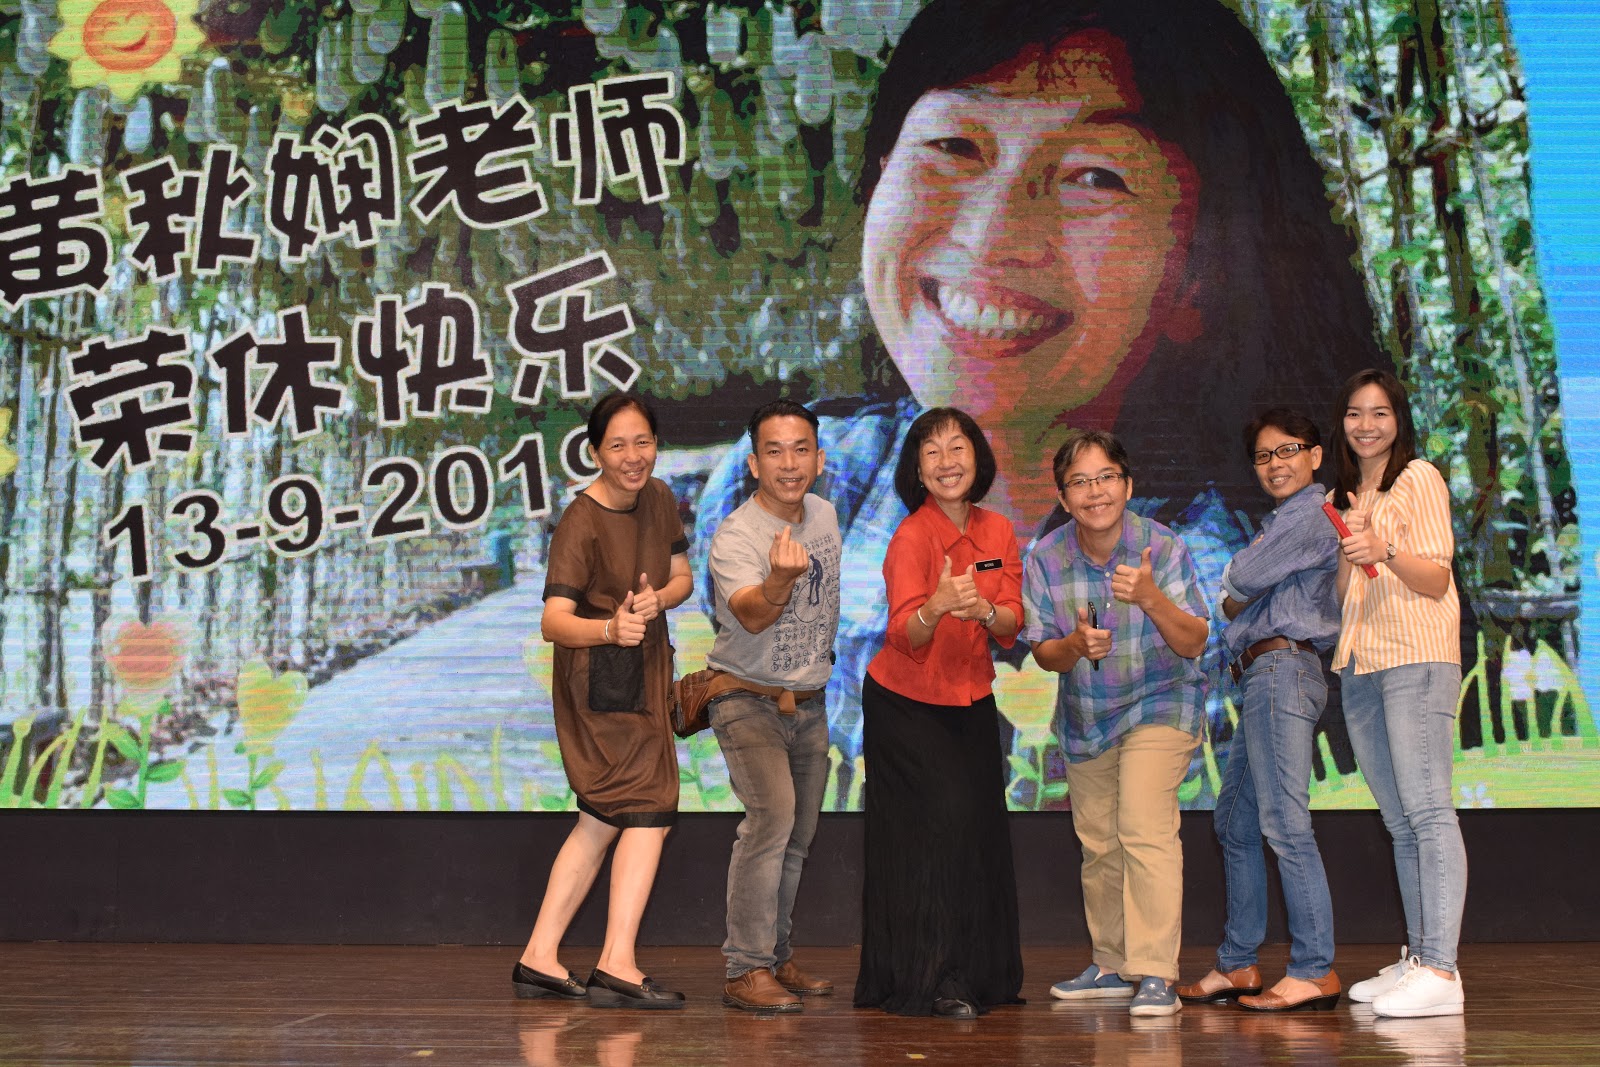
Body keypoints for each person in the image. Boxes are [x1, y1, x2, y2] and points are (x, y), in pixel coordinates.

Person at [691, 0, 1391, 798]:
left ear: (1197, 278)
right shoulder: (790, 485)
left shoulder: (1241, 579)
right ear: (882, 180)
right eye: (954, 146)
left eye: (1094, 177)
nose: (990, 235)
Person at [513, 393, 694, 1009]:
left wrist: (659, 600)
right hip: (599, 683)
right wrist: (612, 629)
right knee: (651, 808)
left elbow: (681, 577)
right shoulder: (580, 520)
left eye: (643, 442)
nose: (632, 456)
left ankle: (539, 956)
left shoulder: (660, 498)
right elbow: (553, 621)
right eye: (617, 445)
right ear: (595, 453)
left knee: (600, 820)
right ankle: (617, 963)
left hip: (647, 671)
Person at [1022, 429, 1208, 1017]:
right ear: (1063, 496)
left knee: (1144, 826)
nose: (1094, 492)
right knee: (1099, 843)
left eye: (1105, 478)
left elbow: (1195, 640)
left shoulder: (1162, 546)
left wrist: (1151, 597)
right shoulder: (1045, 558)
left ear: (1127, 485)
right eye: (1079, 482)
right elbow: (1044, 654)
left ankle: (1155, 972)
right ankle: (1111, 963)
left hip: (1161, 702)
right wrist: (1075, 645)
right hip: (1088, 715)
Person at [854, 407, 1024, 1019]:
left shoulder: (998, 531)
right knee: (935, 837)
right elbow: (904, 634)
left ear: (978, 458)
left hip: (971, 699)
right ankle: (932, 977)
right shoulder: (911, 537)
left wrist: (983, 611)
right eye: (932, 452)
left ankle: (981, 974)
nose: (947, 462)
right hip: (906, 704)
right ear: (917, 470)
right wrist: (938, 605)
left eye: (957, 448)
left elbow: (1012, 623)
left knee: (977, 834)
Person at [1176, 409, 1342, 1012]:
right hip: (1264, 676)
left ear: (1315, 456)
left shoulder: (1312, 515)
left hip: (1282, 669)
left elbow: (1240, 581)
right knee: (1234, 824)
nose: (1275, 464)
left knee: (1284, 824)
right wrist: (1236, 592)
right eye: (1264, 456)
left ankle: (1314, 969)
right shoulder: (1279, 522)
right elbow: (1232, 600)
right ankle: (1238, 964)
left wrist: (1237, 584)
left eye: (1288, 450)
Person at [1329, 369, 1467, 1018]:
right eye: (1355, 413)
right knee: (1399, 820)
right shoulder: (1350, 494)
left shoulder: (1419, 477)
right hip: (1362, 661)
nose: (1366, 425)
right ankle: (1419, 958)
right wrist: (1351, 546)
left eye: (1379, 412)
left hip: (1416, 655)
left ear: (1398, 419)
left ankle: (1441, 968)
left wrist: (1382, 548)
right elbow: (1345, 594)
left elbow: (1435, 578)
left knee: (1429, 811)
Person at [704, 400, 842, 1013]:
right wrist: (780, 580)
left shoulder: (826, 514)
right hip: (746, 698)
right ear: (754, 463)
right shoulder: (736, 535)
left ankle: (776, 958)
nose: (790, 464)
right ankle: (745, 968)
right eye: (775, 451)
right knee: (771, 822)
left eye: (801, 449)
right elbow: (753, 615)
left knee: (797, 836)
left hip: (809, 701)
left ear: (819, 458)